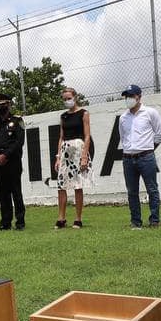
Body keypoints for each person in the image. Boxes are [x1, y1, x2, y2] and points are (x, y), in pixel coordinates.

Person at [118, 84, 161, 229]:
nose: (129, 99)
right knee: (132, 191)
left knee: (152, 189)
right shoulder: (123, 118)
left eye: (132, 96)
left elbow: (159, 134)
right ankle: (135, 221)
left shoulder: (150, 112)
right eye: (127, 96)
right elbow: (123, 137)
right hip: (128, 158)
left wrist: (149, 149)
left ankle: (154, 220)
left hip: (146, 157)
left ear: (139, 97)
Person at [54, 87, 94, 229]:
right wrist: (58, 157)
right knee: (61, 185)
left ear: (75, 97)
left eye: (69, 98)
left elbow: (87, 135)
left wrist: (84, 156)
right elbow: (61, 137)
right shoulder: (63, 116)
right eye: (64, 99)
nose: (67, 101)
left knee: (78, 185)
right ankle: (61, 218)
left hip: (78, 148)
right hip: (65, 150)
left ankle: (78, 219)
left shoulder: (84, 113)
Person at [0, 91, 26, 230]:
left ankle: (20, 222)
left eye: (2, 104)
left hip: (12, 162)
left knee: (16, 192)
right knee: (2, 194)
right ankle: (5, 222)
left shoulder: (17, 120)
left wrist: (6, 155)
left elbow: (19, 141)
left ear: (9, 104)